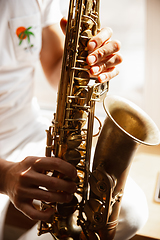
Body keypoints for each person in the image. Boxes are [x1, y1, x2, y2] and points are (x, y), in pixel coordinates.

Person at [0, 0, 148, 240]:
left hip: (26, 129)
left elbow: (54, 65)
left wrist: (85, 63)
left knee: (130, 213)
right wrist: (4, 176)